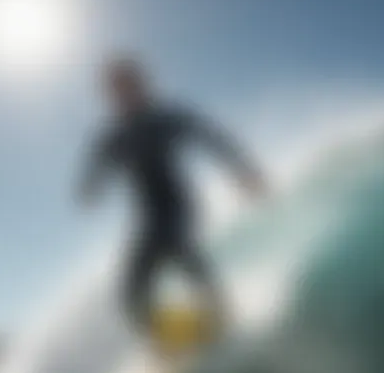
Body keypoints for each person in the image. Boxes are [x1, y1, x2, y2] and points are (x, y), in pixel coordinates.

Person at [77, 56, 267, 336]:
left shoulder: (164, 119)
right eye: (116, 89)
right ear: (111, 95)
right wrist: (91, 187)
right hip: (148, 216)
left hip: (178, 205)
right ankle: (167, 341)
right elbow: (97, 164)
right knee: (131, 290)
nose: (123, 93)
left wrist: (243, 170)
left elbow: (210, 136)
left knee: (178, 248)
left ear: (142, 85)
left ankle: (223, 315)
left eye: (129, 84)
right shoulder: (115, 136)